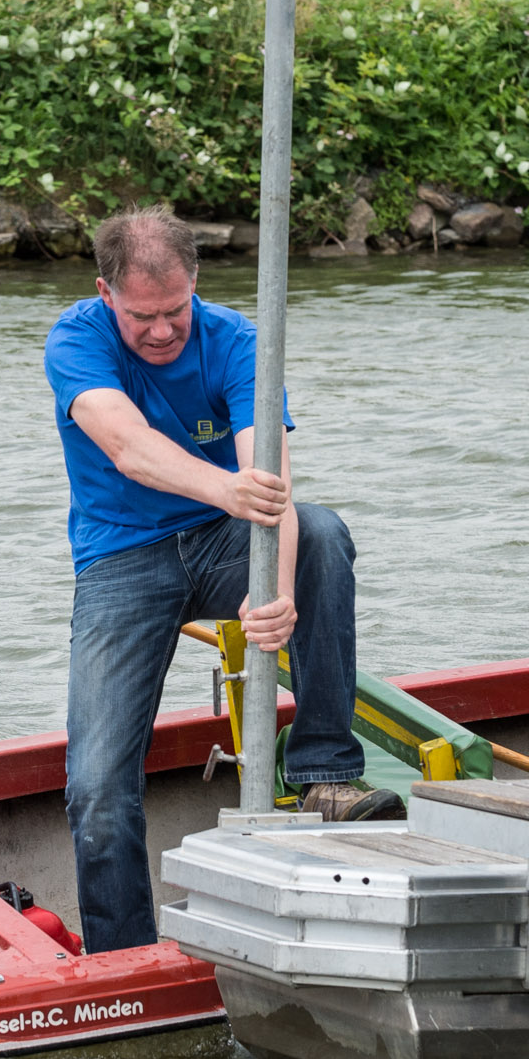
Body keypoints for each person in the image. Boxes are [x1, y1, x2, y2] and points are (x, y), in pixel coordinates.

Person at [44, 208, 393, 955]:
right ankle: (124, 956)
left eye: (175, 311)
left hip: (222, 540)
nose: (163, 331)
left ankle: (327, 772)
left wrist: (282, 592)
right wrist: (229, 491)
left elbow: (275, 491)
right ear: (106, 293)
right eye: (143, 317)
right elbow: (130, 447)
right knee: (97, 790)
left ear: (195, 283)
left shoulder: (236, 341)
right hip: (120, 558)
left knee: (324, 533)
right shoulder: (75, 338)